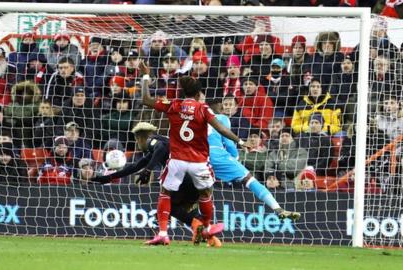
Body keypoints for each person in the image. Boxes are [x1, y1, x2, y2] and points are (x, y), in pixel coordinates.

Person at [140, 61, 245, 245]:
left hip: (177, 160)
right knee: (206, 194)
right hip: (198, 161)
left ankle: (163, 233)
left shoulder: (174, 105)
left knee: (165, 193)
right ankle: (206, 227)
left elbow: (146, 99)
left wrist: (146, 76)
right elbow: (221, 129)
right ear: (198, 94)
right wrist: (240, 141)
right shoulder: (203, 109)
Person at [91, 122, 222, 247]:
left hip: (183, 177)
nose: (137, 143)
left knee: (167, 204)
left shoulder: (152, 140)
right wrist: (107, 178)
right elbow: (134, 167)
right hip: (197, 179)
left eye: (137, 140)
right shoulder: (163, 143)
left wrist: (148, 170)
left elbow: (160, 148)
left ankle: (170, 232)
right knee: (174, 208)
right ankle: (206, 233)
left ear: (141, 137)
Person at [206, 99, 300, 220]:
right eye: (222, 106)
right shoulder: (222, 118)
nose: (225, 109)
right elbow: (229, 143)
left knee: (201, 190)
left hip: (199, 156)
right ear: (219, 108)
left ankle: (198, 223)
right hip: (218, 155)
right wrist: (235, 158)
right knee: (249, 180)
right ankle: (278, 208)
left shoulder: (201, 118)